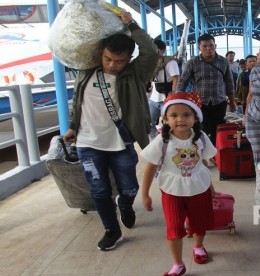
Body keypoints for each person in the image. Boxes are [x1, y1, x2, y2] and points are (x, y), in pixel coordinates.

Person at [62, 12, 158, 251]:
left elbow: (152, 52)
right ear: (101, 54)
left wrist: (131, 25)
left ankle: (125, 204)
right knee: (99, 190)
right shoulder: (86, 72)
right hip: (87, 144)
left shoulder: (135, 73)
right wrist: (73, 126)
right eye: (108, 59)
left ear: (129, 59)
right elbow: (77, 101)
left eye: (119, 61)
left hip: (121, 143)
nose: (112, 65)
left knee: (129, 188)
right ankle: (112, 231)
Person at [140, 92, 217, 276]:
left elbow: (203, 162)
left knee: (199, 223)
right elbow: (150, 167)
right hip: (171, 191)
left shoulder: (201, 138)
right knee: (174, 228)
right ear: (165, 119)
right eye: (174, 115)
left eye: (186, 115)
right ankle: (178, 264)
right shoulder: (163, 140)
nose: (180, 119)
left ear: (195, 118)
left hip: (199, 189)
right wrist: (145, 194)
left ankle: (198, 247)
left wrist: (211, 186)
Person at [176, 33, 236, 146]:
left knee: (218, 129)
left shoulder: (223, 61)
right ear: (199, 47)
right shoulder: (192, 63)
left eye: (211, 45)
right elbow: (182, 81)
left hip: (219, 102)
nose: (208, 48)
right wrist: (178, 100)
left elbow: (229, 82)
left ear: (215, 46)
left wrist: (232, 101)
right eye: (205, 46)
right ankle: (200, 152)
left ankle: (214, 153)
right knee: (199, 129)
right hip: (199, 103)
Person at [148, 39, 180, 140]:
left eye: (156, 49)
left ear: (162, 50)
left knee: (170, 124)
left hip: (167, 99)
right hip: (153, 99)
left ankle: (170, 143)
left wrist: (173, 95)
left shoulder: (170, 62)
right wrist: (152, 87)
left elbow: (176, 79)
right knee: (148, 122)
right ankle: (155, 142)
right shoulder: (152, 62)